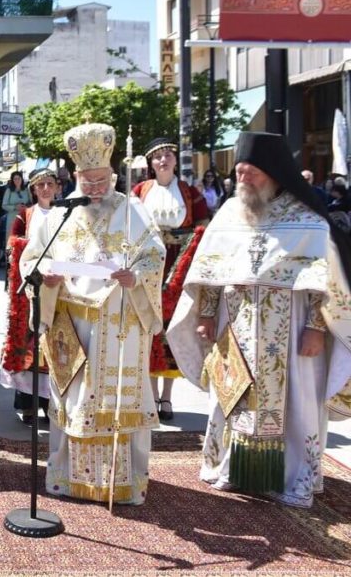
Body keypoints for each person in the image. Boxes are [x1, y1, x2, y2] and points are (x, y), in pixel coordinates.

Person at [166, 131, 351, 508]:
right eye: (239, 173)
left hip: (293, 331)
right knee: (233, 395)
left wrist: (317, 328)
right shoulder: (232, 212)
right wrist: (204, 314)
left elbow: (327, 281)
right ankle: (234, 468)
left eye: (251, 173)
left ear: (273, 172)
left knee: (295, 403)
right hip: (234, 326)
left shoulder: (307, 218)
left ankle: (290, 477)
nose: (243, 181)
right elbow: (211, 267)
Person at [20, 123, 165, 504]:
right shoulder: (58, 214)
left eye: (101, 180)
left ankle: (124, 482)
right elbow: (31, 258)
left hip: (119, 320)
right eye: (88, 180)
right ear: (76, 176)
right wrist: (44, 275)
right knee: (73, 400)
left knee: (115, 403)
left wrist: (136, 277)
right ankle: (68, 477)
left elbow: (155, 256)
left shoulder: (132, 210)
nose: (96, 188)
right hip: (72, 321)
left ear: (113, 174)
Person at [132, 138, 210, 421]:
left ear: (175, 161)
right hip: (150, 263)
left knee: (174, 327)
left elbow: (204, 226)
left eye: (167, 156)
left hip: (180, 265)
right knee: (150, 324)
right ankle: (151, 394)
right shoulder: (140, 191)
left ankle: (167, 396)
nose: (163, 160)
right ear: (151, 164)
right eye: (157, 157)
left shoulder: (190, 192)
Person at [1, 167, 57, 425]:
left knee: (52, 343)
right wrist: (32, 250)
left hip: (56, 285)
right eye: (40, 184)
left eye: (49, 184)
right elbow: (13, 241)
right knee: (29, 343)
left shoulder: (64, 213)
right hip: (31, 283)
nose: (45, 188)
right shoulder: (25, 214)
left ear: (56, 187)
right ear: (33, 189)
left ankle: (49, 403)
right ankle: (27, 404)